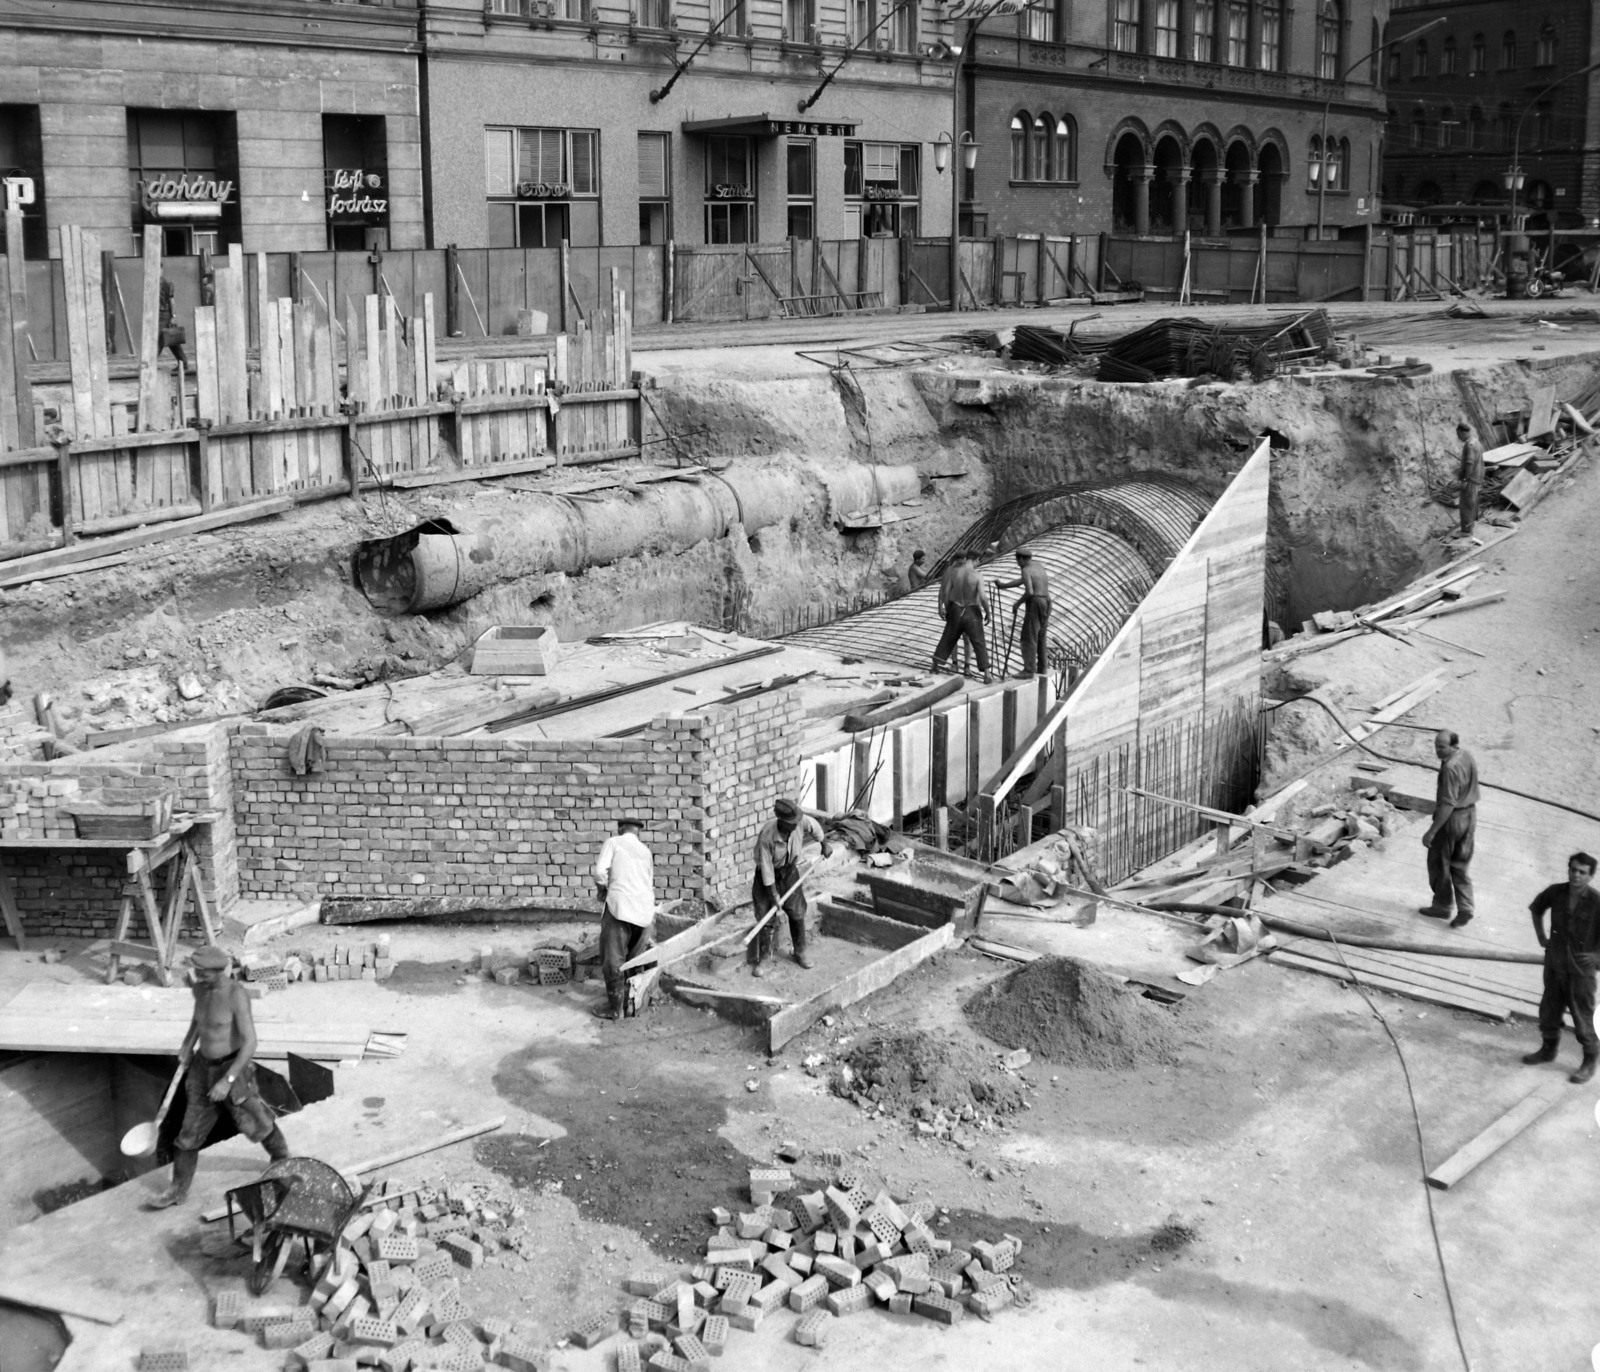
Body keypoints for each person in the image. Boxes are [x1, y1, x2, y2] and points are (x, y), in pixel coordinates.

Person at [149, 945, 288, 1209]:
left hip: (232, 1069)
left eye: (204, 973)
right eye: (197, 972)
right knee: (188, 1132)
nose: (199, 977)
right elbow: (198, 1021)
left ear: (219, 970)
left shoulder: (236, 995)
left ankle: (282, 1159)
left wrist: (228, 1080)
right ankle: (177, 1190)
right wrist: (187, 1045)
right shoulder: (199, 988)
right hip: (202, 1069)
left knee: (254, 1119)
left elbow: (250, 1043)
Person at [1522, 852, 1600, 1083]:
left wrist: (1597, 956)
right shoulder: (1556, 892)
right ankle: (1548, 1050)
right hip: (1555, 964)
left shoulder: (1597, 901)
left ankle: (1589, 1062)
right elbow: (1536, 908)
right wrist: (1541, 937)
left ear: (1591, 876)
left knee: (1583, 1017)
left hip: (1581, 971)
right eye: (1573, 870)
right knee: (1549, 1011)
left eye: (1582, 872)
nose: (1576, 875)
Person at [750, 798, 832, 977]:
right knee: (766, 915)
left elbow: (815, 826)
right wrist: (773, 895)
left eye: (796, 822)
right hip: (767, 876)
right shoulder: (767, 836)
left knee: (797, 911)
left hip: (789, 872)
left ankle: (800, 951)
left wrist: (824, 843)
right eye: (791, 824)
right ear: (781, 821)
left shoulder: (800, 822)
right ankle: (764, 957)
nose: (796, 826)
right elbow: (766, 868)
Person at [592, 817, 656, 1021]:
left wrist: (602, 890)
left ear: (620, 829)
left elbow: (599, 872)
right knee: (634, 960)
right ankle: (632, 1005)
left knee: (613, 959)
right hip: (645, 911)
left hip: (620, 908)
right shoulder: (645, 851)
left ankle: (614, 1009)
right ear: (638, 833)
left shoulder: (614, 842)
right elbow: (649, 880)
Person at [1418, 729, 1479, 929]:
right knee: (1460, 865)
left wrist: (1432, 831)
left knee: (1439, 864)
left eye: (1442, 747)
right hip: (1470, 816)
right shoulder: (1466, 756)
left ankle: (1442, 905)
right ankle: (1466, 907)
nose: (1437, 751)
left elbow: (1447, 804)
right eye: (1436, 746)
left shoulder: (1450, 768)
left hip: (1452, 820)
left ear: (1453, 746)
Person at [931, 550, 994, 684]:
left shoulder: (954, 572)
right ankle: (987, 675)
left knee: (948, 637)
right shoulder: (977, 576)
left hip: (956, 608)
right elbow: (982, 597)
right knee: (978, 641)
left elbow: (946, 592)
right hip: (972, 610)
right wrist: (988, 612)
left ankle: (935, 665)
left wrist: (948, 609)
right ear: (976, 559)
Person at [995, 547, 1052, 677]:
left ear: (1021, 559)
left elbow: (1030, 591)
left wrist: (1017, 603)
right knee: (1041, 636)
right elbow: (1022, 581)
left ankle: (1029, 670)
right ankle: (1043, 668)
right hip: (1047, 601)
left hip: (1035, 602)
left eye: (1017, 561)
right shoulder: (1038, 567)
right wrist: (1003, 585)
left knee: (1028, 637)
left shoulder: (1026, 570)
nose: (1018, 564)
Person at [1456, 421, 1483, 536]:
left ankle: (1466, 531)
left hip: (1471, 478)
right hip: (1478, 476)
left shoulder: (1470, 445)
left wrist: (1464, 480)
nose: (1458, 437)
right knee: (1473, 502)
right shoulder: (1476, 442)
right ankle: (1471, 525)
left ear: (1463, 433)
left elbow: (1469, 464)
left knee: (1466, 504)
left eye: (1459, 435)